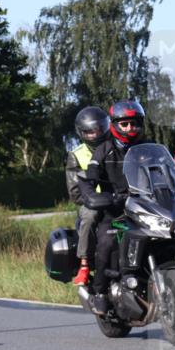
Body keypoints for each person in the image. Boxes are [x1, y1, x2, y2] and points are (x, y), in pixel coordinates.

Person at [78, 99, 152, 315]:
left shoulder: (148, 148)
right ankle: (100, 292)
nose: (131, 128)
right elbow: (90, 176)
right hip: (116, 211)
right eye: (125, 124)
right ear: (115, 124)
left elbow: (168, 171)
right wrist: (93, 195)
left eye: (135, 123)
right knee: (108, 241)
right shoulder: (104, 150)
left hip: (145, 208)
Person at [66, 107, 111, 285]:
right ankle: (84, 264)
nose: (95, 134)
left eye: (98, 129)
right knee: (89, 216)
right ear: (82, 133)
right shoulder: (76, 155)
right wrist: (94, 199)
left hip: (120, 198)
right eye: (89, 132)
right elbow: (75, 193)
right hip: (94, 203)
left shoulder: (116, 147)